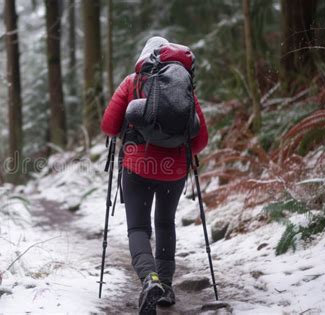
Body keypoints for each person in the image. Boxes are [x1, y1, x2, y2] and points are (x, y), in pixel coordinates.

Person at [100, 36, 208, 313]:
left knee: (138, 228)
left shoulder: (132, 82)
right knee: (165, 224)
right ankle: (167, 288)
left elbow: (109, 127)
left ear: (144, 57)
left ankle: (150, 280)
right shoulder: (184, 89)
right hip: (174, 171)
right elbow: (199, 142)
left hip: (138, 167)